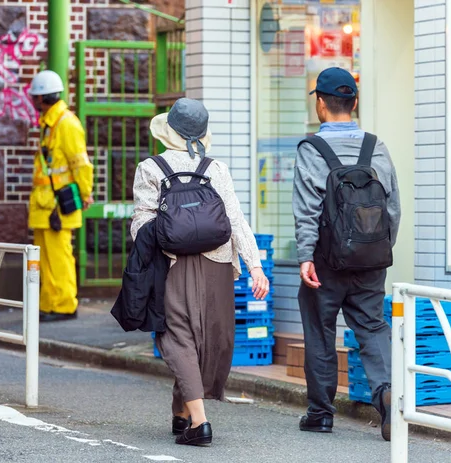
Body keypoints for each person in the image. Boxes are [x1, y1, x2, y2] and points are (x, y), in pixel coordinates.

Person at [131, 98, 270, 446]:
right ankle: (184, 414)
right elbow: (235, 220)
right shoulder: (215, 169)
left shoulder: (150, 168)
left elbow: (141, 225)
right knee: (209, 338)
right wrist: (255, 265)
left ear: (169, 133)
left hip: (172, 263)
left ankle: (198, 422)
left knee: (178, 337)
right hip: (218, 263)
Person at [292, 67, 401, 441]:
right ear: (353, 103)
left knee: (320, 331)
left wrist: (305, 255)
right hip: (371, 259)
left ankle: (321, 413)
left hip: (325, 261)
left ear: (321, 104)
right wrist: (377, 249)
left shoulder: (312, 149)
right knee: (372, 326)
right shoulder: (377, 146)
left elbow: (307, 206)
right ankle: (387, 394)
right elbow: (392, 208)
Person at [28, 70, 94, 323]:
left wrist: (85, 193)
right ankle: (49, 303)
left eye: (36, 97)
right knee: (45, 258)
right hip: (45, 204)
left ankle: (65, 305)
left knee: (59, 257)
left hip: (57, 205)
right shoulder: (49, 123)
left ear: (43, 97)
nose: (33, 101)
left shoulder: (66, 123)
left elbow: (81, 164)